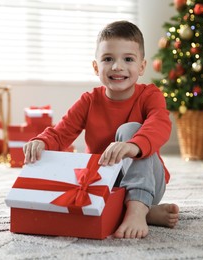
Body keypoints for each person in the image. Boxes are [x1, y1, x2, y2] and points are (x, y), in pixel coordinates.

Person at [23, 20, 179, 239]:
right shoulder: (89, 101)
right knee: (83, 191)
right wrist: (42, 141)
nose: (117, 66)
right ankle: (146, 213)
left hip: (149, 181)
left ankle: (137, 209)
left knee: (131, 129)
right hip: (107, 185)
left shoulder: (150, 96)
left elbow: (160, 124)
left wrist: (133, 145)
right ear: (96, 67)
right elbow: (61, 133)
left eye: (128, 59)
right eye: (108, 59)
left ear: (142, 66)